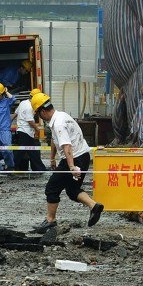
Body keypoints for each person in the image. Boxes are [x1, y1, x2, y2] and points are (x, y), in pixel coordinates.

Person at [31, 91, 104, 232]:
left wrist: (71, 166)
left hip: (73, 158)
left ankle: (50, 221)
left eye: (38, 113)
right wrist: (52, 158)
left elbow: (66, 146)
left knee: (52, 188)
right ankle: (94, 206)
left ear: (43, 111)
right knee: (72, 190)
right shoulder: (62, 116)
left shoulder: (58, 123)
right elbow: (54, 140)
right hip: (83, 156)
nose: (39, 117)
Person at [13, 89, 47, 174]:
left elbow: (15, 113)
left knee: (30, 151)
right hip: (26, 131)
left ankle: (39, 168)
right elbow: (30, 121)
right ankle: (12, 166)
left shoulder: (23, 103)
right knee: (29, 151)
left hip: (22, 131)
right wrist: (37, 129)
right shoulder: (29, 106)